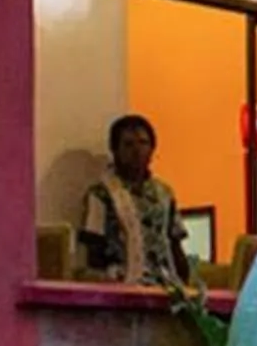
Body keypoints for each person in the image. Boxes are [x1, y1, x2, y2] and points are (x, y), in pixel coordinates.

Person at [77, 113, 192, 286]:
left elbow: (175, 244)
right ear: (115, 150)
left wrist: (185, 288)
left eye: (143, 143)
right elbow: (94, 251)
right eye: (128, 144)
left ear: (152, 148)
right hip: (120, 285)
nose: (137, 151)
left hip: (165, 286)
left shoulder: (164, 193)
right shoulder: (100, 195)